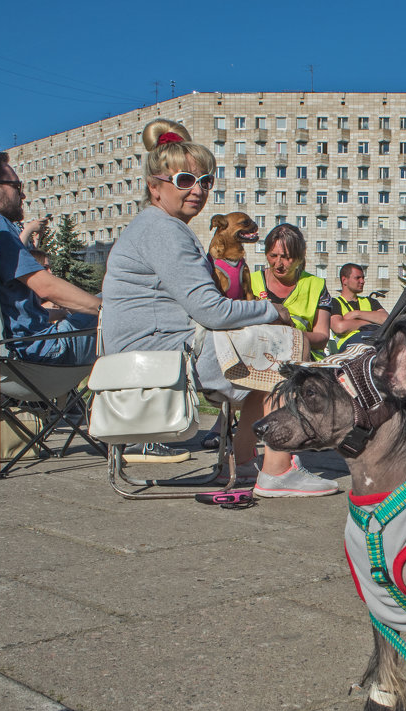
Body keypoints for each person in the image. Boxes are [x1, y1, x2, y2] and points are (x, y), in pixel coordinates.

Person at [101, 119, 339, 498]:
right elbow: (211, 311)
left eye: (206, 181)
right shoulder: (163, 230)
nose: (198, 190)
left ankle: (244, 462)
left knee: (268, 351)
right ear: (154, 186)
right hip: (161, 355)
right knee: (282, 347)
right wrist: (272, 311)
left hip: (157, 349)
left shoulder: (156, 226)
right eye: (184, 181)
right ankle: (277, 471)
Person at [0, 149, 100, 366]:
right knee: (127, 303)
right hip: (39, 355)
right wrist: (108, 309)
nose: (22, 195)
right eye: (16, 186)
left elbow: (1, 313)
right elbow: (45, 287)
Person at [249, 224, 332, 360]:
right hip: (257, 356)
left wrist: (287, 336)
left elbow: (322, 337)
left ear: (300, 257)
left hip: (302, 359)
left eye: (286, 257)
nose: (278, 264)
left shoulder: (317, 285)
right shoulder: (250, 281)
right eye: (273, 256)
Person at [329, 262, 387, 352]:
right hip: (349, 349)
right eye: (357, 278)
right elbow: (340, 327)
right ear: (344, 280)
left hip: (373, 342)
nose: (362, 281)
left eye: (363, 278)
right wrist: (369, 323)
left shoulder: (370, 301)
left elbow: (386, 319)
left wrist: (356, 314)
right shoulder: (334, 302)